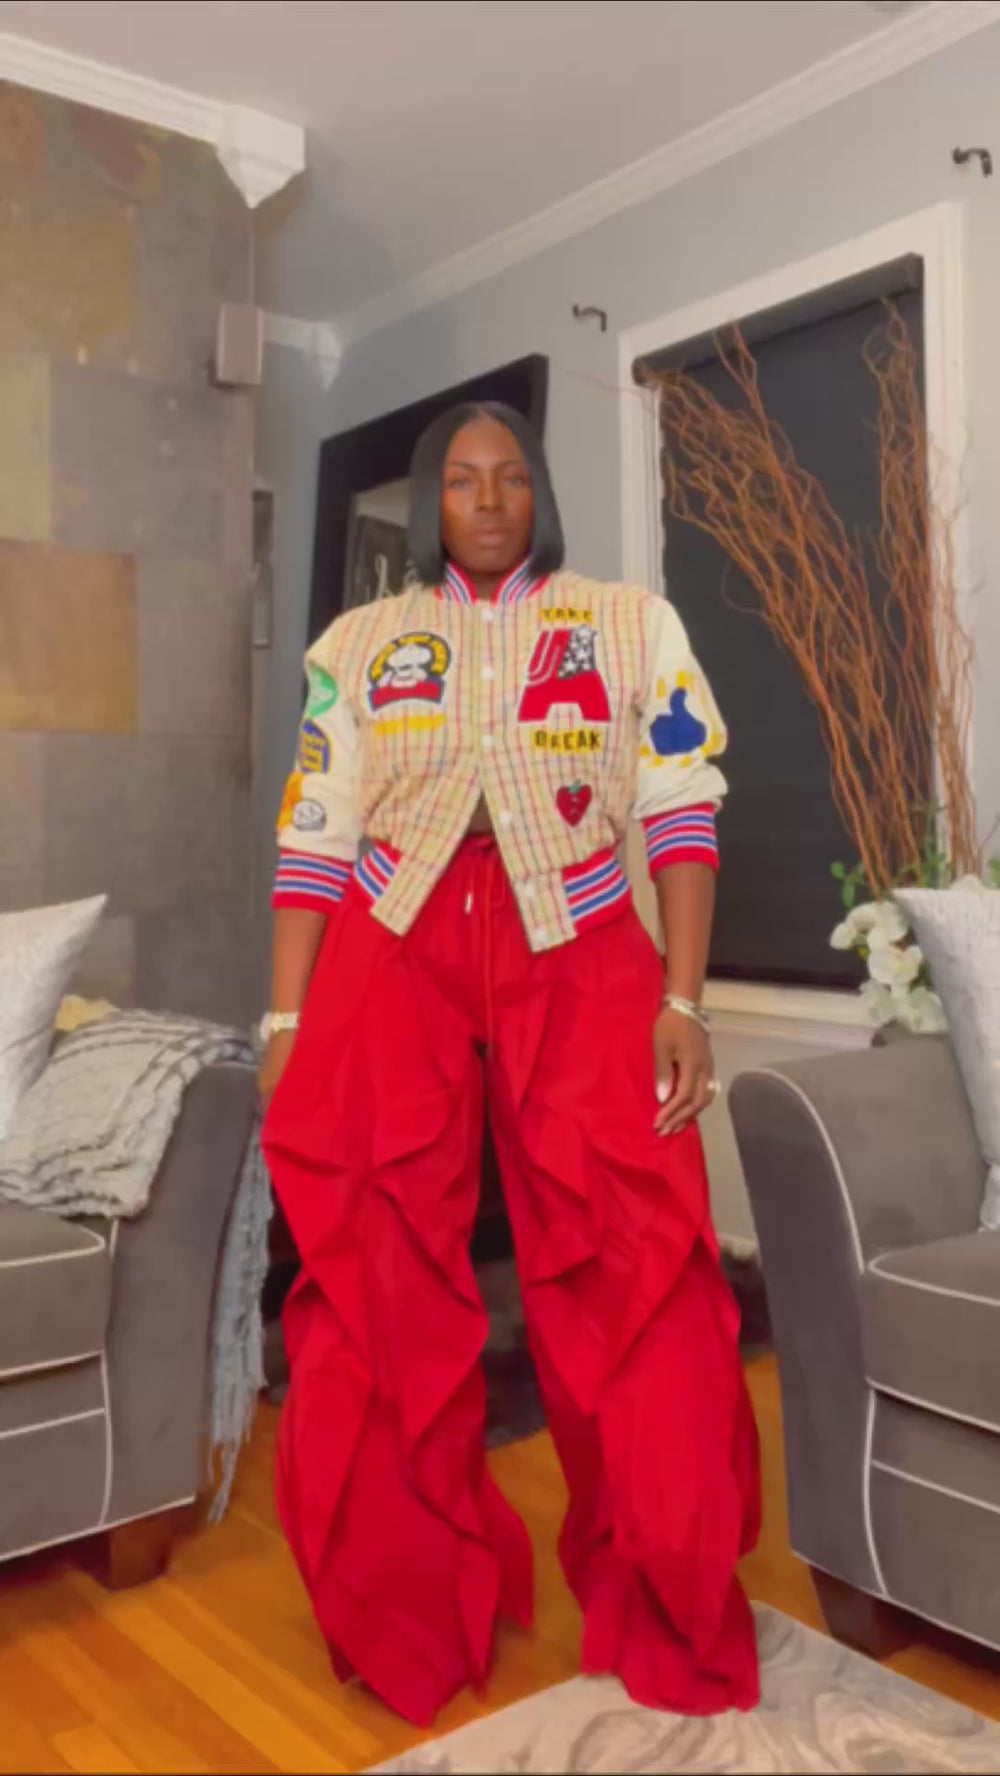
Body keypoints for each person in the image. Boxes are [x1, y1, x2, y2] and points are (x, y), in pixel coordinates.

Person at [260, 402, 760, 1728]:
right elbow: (315, 832)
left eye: (512, 478)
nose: (488, 500)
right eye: (462, 481)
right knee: (371, 1270)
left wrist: (683, 997)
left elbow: (680, 807)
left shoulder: (629, 624)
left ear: (540, 494)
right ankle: (409, 1617)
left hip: (581, 940)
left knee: (641, 1260)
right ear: (431, 500)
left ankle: (663, 1604)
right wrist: (285, 1022)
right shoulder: (357, 644)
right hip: (391, 941)